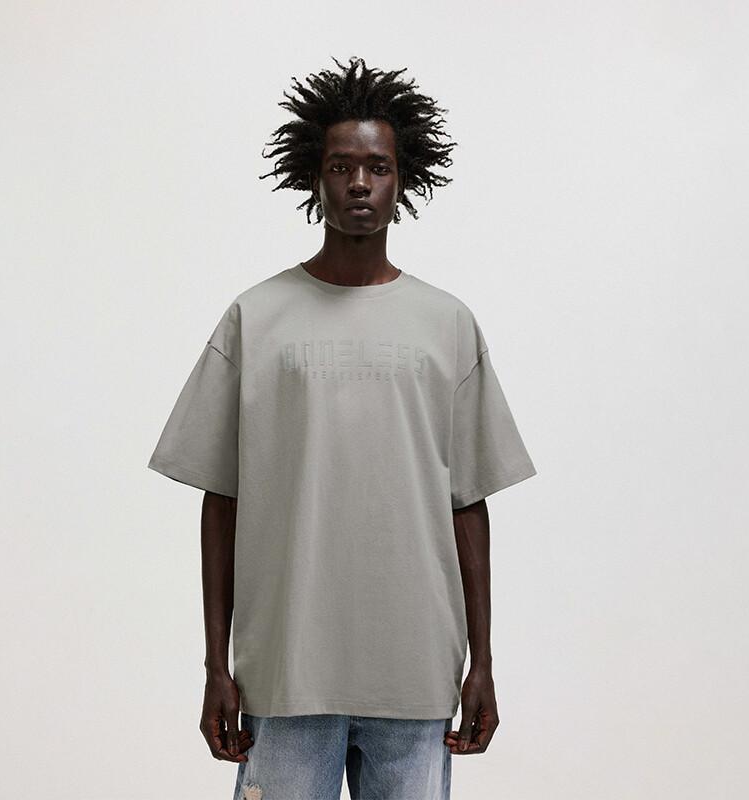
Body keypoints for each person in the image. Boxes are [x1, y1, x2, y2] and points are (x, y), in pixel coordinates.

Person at [147, 55, 537, 800]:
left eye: (378, 167)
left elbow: (468, 502)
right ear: (314, 177)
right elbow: (221, 500)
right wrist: (215, 666)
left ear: (404, 179)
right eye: (341, 166)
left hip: (416, 673)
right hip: (285, 673)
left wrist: (482, 662)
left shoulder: (447, 324)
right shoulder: (256, 318)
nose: (360, 183)